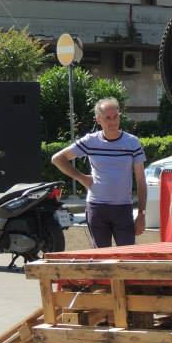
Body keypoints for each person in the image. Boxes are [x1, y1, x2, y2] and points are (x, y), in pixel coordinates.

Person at [51, 97, 147, 247]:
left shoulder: (132, 142)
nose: (113, 122)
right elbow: (57, 159)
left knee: (127, 257)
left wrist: (141, 214)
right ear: (98, 120)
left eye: (116, 117)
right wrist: (81, 178)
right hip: (97, 208)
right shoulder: (91, 141)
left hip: (123, 208)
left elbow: (141, 181)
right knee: (101, 260)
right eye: (108, 118)